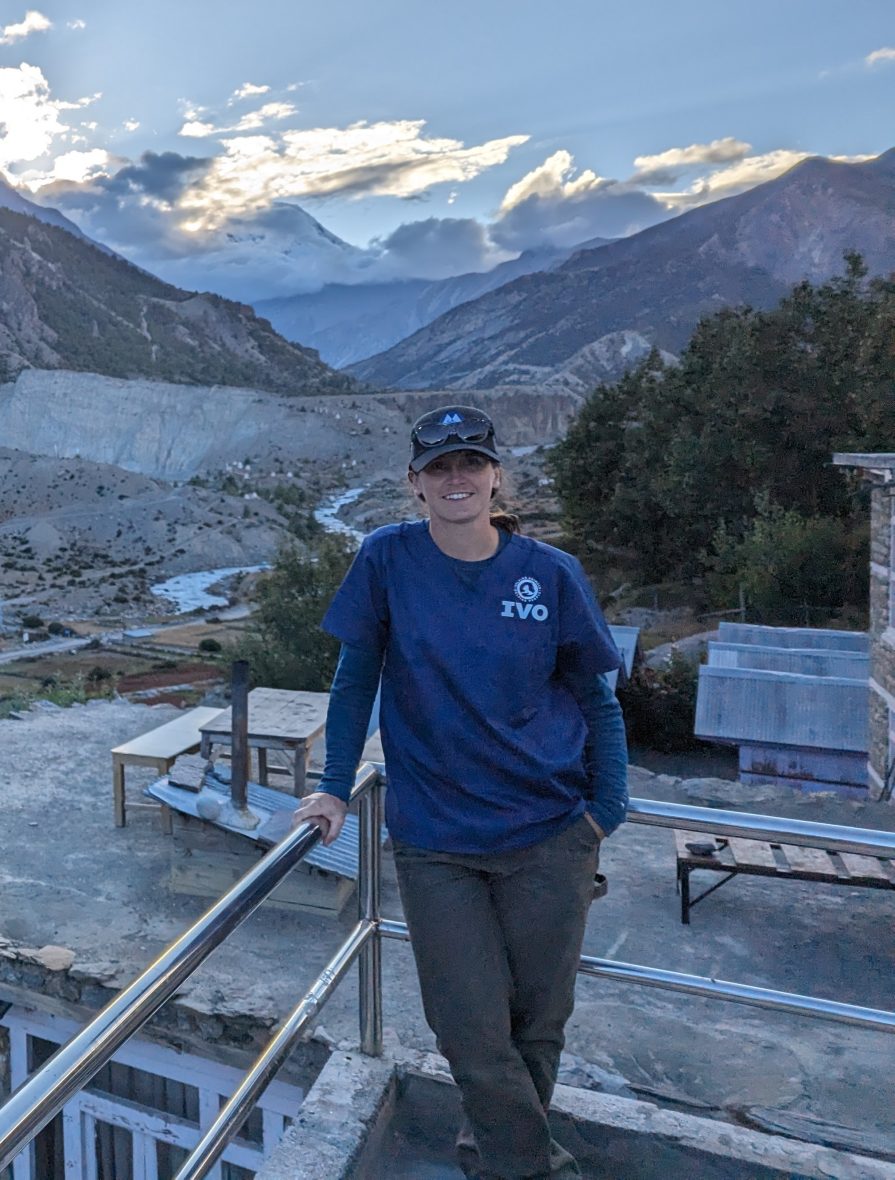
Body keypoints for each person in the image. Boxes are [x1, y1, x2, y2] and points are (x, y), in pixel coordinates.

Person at [293, 405, 628, 1180]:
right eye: (439, 467)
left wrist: (602, 815)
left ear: (494, 477)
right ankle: (537, 1171)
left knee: (536, 1026)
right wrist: (332, 789)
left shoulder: (549, 574)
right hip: (436, 840)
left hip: (550, 832)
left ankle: (493, 1158)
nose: (456, 479)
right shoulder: (385, 559)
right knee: (470, 1031)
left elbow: (596, 697)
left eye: (469, 464)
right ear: (413, 483)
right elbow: (355, 682)